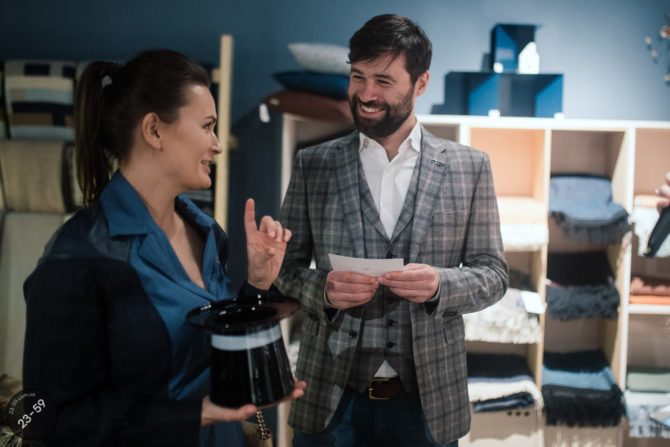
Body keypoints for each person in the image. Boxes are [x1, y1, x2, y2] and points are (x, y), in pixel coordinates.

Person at [22, 49, 305, 446]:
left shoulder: (207, 232)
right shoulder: (79, 259)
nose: (217, 145)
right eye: (207, 127)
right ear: (154, 130)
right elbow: (47, 420)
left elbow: (217, 349)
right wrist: (194, 414)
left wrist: (257, 285)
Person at [275, 13, 508, 447]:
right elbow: (284, 270)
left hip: (427, 400)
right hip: (332, 396)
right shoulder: (313, 164)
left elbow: (493, 274)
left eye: (383, 81)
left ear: (420, 83)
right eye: (357, 77)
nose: (366, 94)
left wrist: (440, 284)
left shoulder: (469, 167)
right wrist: (322, 289)